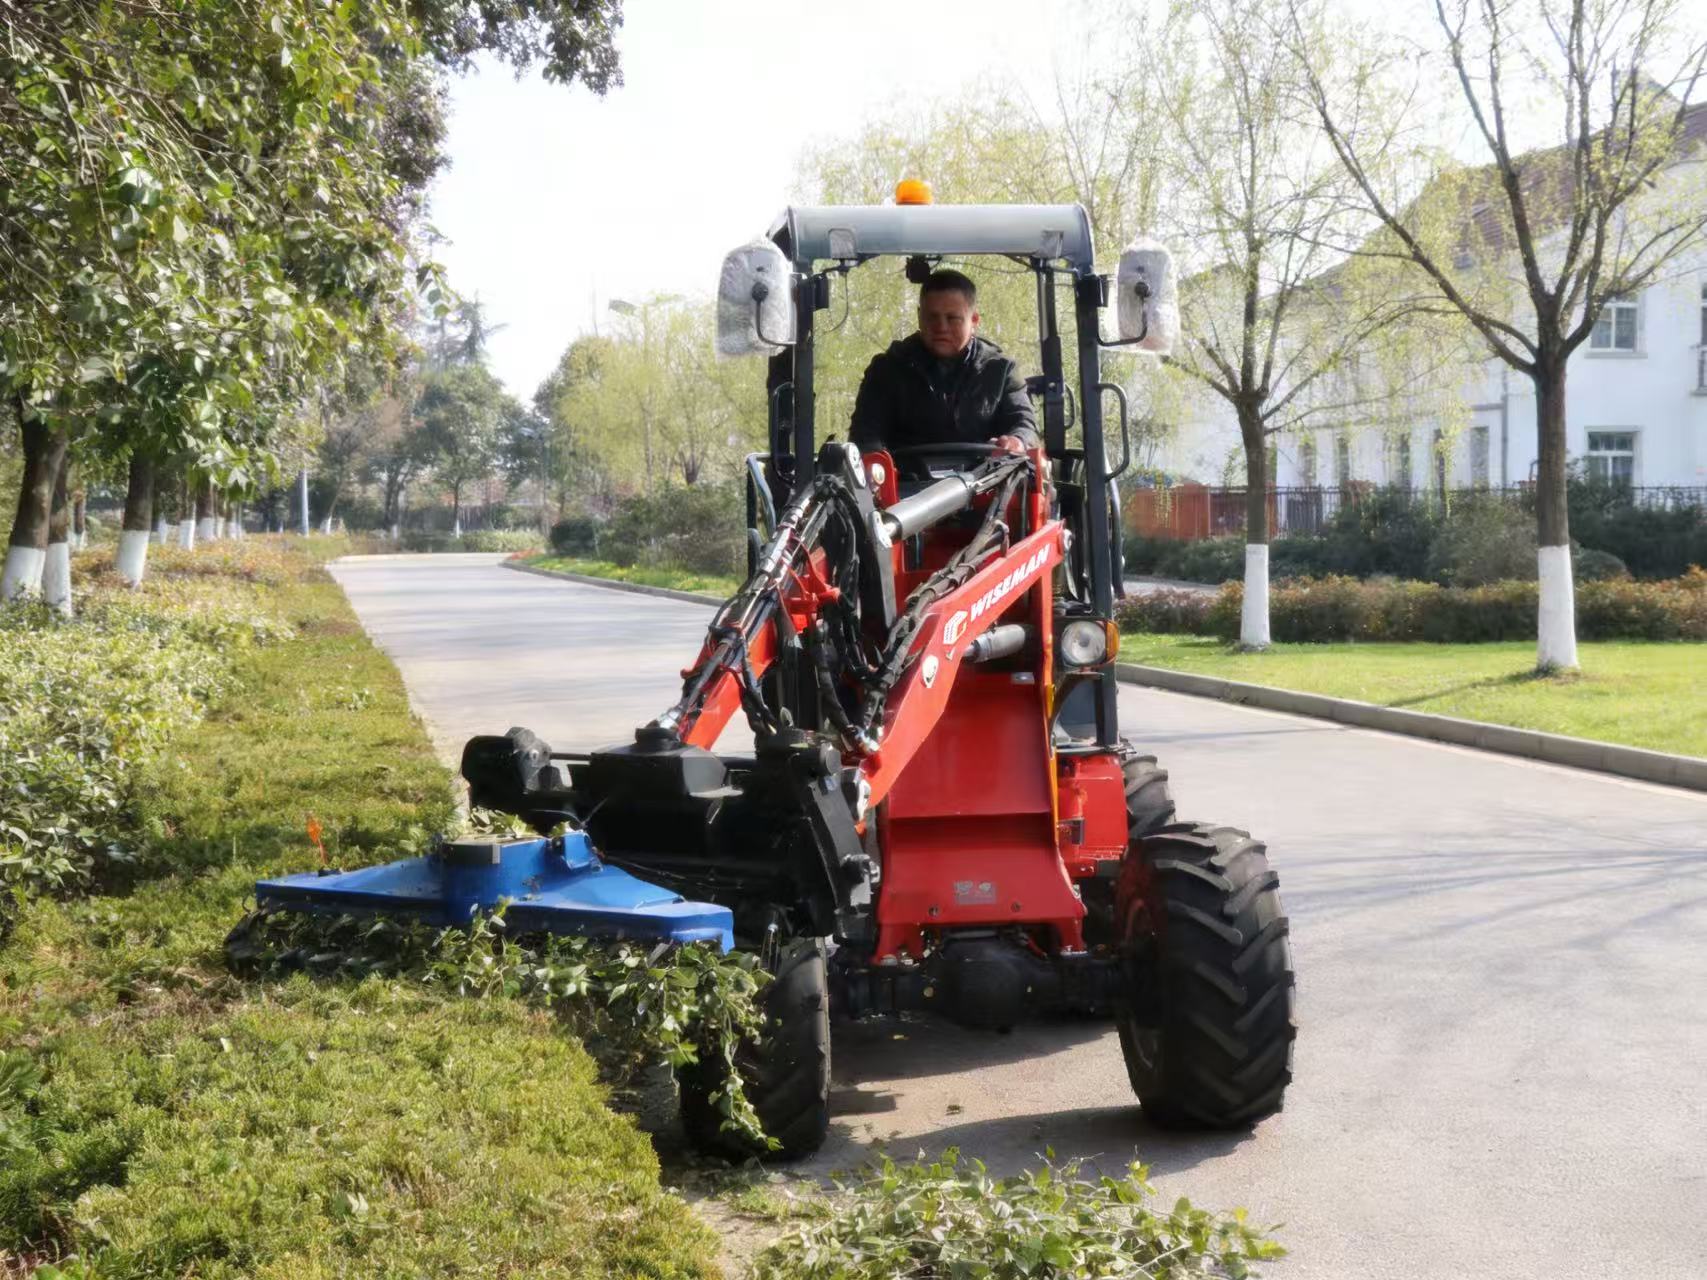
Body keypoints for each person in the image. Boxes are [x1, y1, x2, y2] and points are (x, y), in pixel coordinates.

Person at [848, 269, 1038, 457]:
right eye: (932, 317)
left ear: (974, 320)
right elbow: (865, 433)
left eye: (952, 318)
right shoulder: (887, 370)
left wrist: (1017, 441)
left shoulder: (1001, 370)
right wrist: (874, 459)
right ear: (919, 315)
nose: (941, 327)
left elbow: (1023, 423)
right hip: (904, 482)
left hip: (987, 481)